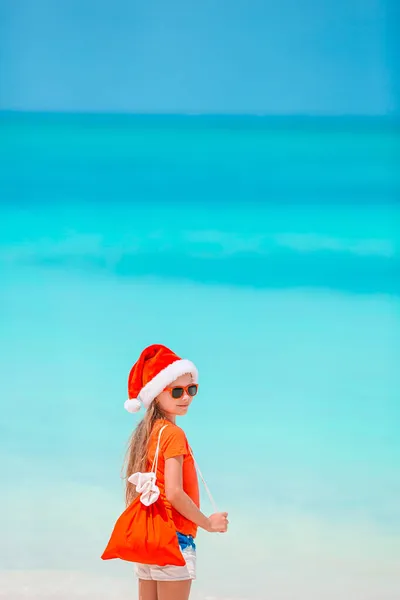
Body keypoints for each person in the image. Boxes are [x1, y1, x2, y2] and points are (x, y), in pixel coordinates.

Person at [122, 344, 229, 600]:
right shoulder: (172, 434)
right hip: (175, 538)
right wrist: (208, 523)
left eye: (191, 389)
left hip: (150, 540)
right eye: (177, 391)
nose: (186, 398)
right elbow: (174, 493)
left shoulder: (148, 433)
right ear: (157, 394)